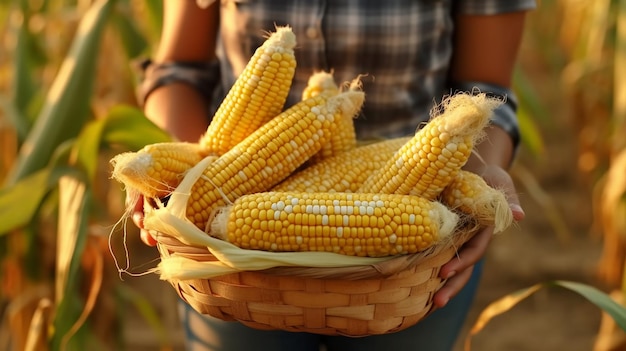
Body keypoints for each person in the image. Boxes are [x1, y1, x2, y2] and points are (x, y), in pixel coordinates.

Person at [131, 1, 534, 350]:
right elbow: (179, 70)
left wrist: (484, 174)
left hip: (409, 266)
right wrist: (183, 174)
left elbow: (486, 89)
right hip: (230, 270)